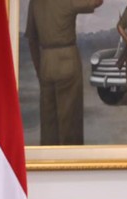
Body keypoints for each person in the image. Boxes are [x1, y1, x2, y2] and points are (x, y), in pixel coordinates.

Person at [25, 0, 103, 145]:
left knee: (48, 125)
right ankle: (70, 163)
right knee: (70, 124)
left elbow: (32, 40)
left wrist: (40, 69)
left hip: (46, 63)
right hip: (67, 59)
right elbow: (96, 2)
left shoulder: (35, 2)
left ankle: (49, 163)